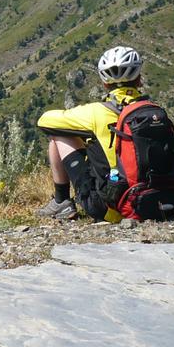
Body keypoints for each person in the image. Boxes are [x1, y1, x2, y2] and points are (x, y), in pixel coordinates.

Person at [35, 46, 144, 221]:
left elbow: (44, 121)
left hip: (113, 209)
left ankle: (61, 201)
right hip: (160, 201)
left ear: (105, 83)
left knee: (60, 135)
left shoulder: (96, 112)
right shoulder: (154, 111)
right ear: (139, 79)